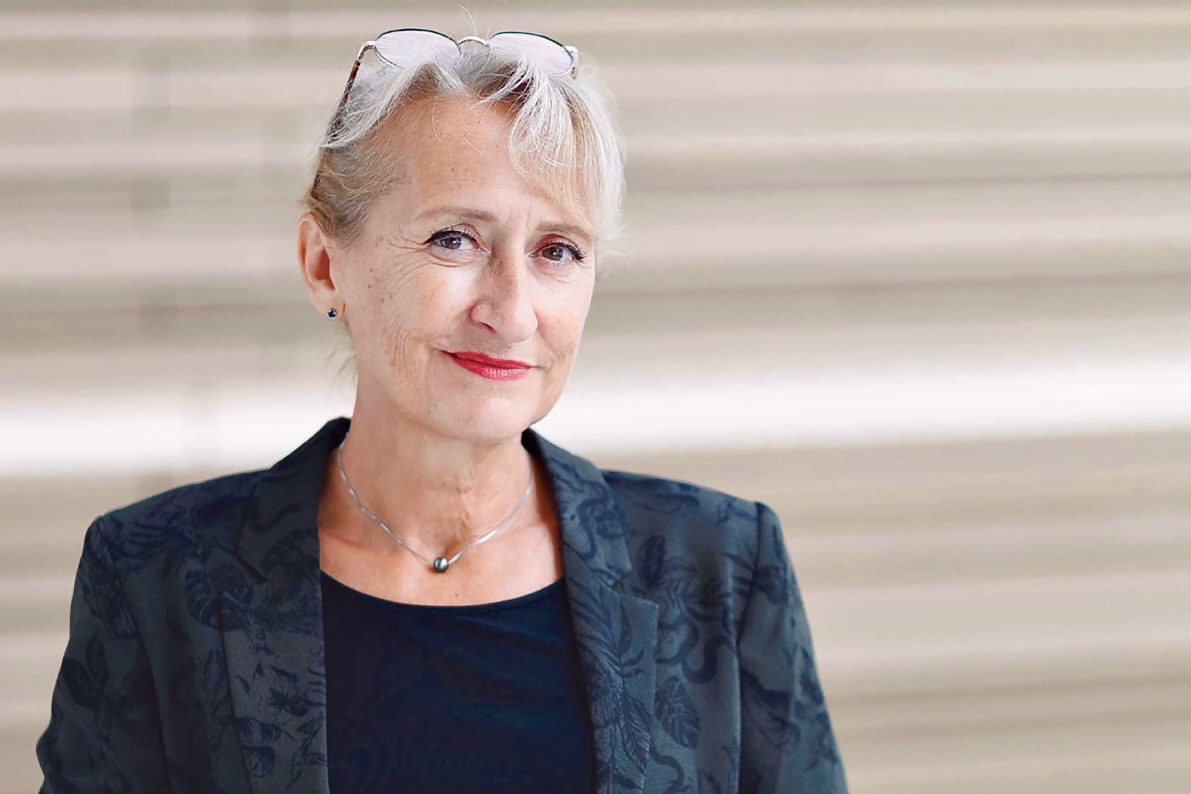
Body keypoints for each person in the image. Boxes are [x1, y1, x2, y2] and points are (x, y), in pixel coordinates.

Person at [36, 27, 847, 794]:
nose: (512, 312)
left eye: (557, 250)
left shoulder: (720, 567)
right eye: (454, 239)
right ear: (322, 265)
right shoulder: (156, 575)